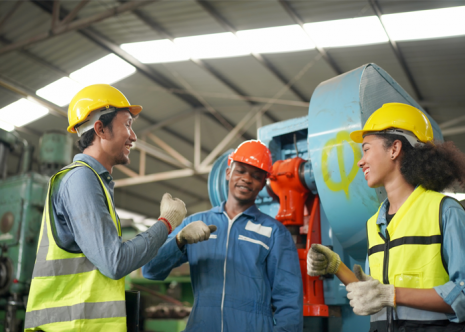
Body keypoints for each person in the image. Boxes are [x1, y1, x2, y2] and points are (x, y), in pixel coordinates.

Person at [25, 84, 187, 332]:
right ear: (100, 128)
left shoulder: (95, 182)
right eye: (128, 125)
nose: (133, 136)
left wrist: (178, 239)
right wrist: (166, 223)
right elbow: (115, 261)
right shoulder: (81, 179)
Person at [307, 103, 465, 332]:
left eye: (367, 149)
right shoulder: (374, 224)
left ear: (394, 149)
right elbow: (374, 295)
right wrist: (336, 265)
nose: (361, 161)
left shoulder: (445, 211)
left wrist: (391, 294)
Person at [143, 140, 303, 332]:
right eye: (240, 171)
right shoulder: (195, 224)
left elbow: (289, 298)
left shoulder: (274, 232)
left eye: (256, 176)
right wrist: (179, 240)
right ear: (228, 173)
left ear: (263, 184)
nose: (246, 179)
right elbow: (150, 270)